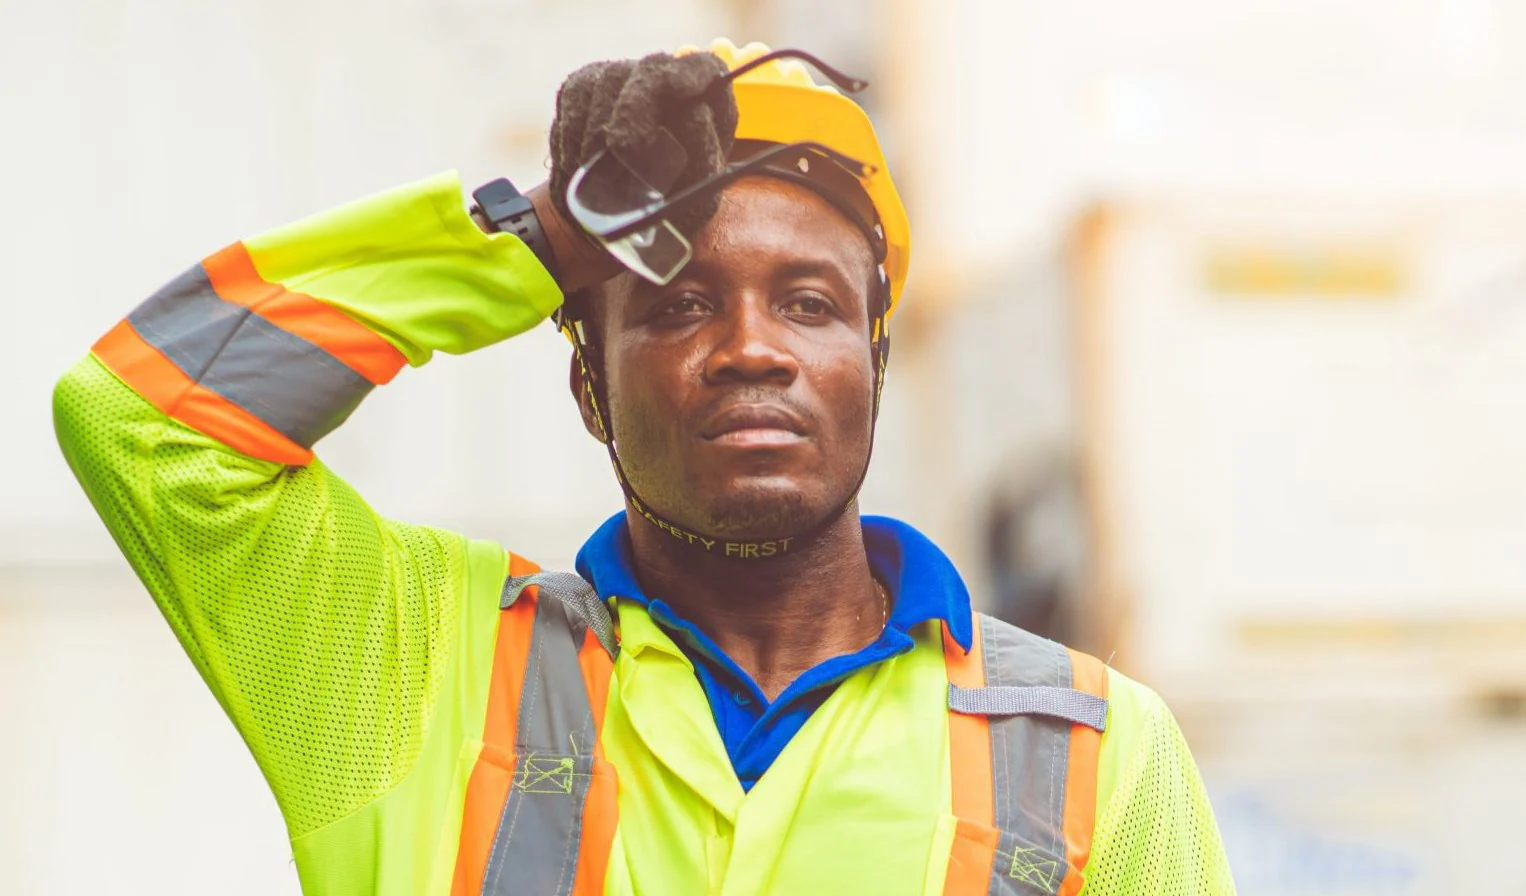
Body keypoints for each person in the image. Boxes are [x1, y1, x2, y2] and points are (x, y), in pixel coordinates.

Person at [54, 39, 1235, 896]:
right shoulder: (416, 665)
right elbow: (143, 416)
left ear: (871, 367)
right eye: (678, 307)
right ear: (590, 389)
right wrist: (542, 240)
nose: (753, 347)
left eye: (811, 302)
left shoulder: (1089, 748)